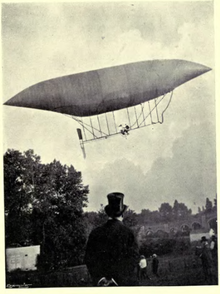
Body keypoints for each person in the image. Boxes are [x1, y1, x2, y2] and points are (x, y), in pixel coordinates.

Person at [84, 192, 139, 286]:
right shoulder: (129, 233)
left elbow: (89, 258)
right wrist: (116, 280)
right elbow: (133, 259)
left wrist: (100, 279)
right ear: (122, 215)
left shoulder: (95, 232)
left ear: (108, 213)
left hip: (100, 286)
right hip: (124, 284)